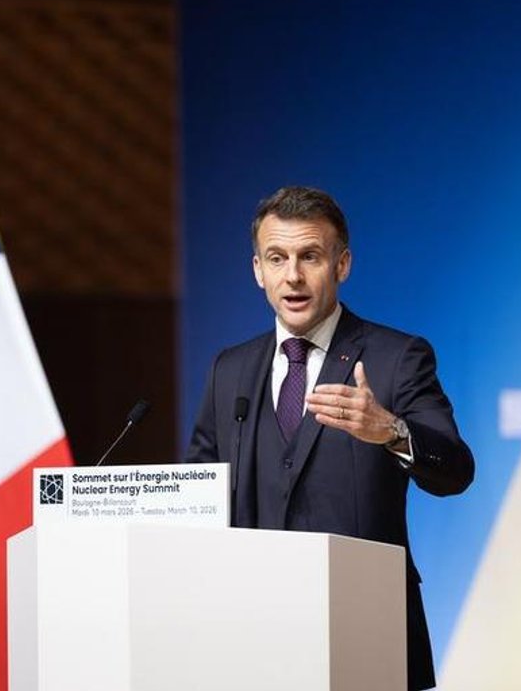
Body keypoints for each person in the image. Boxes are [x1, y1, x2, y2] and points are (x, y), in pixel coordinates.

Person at [183, 185, 474, 690]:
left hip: (366, 629)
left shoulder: (396, 358)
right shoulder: (230, 369)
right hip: (252, 635)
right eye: (277, 258)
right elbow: (196, 491)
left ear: (342, 265)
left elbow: (455, 470)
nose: (293, 276)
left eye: (310, 257)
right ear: (258, 270)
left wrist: (392, 430)